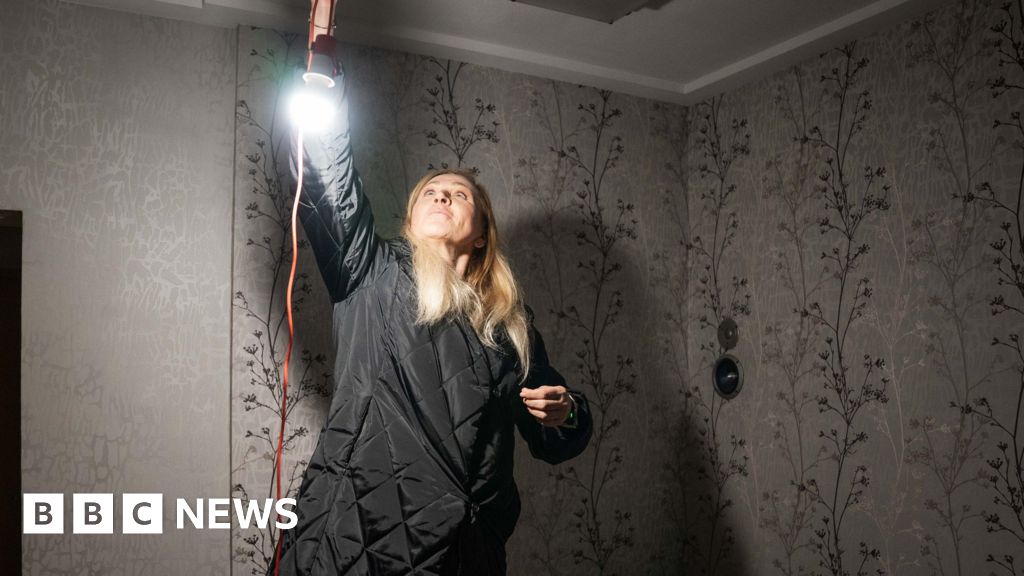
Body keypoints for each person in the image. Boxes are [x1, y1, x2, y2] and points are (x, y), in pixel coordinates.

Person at [268, 5, 593, 576]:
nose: (442, 196)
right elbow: (329, 178)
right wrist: (323, 57)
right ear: (412, 219)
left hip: (469, 553)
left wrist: (565, 413)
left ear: (482, 231)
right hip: (358, 541)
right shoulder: (371, 270)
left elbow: (556, 441)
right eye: (431, 192)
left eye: (459, 194)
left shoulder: (509, 323)